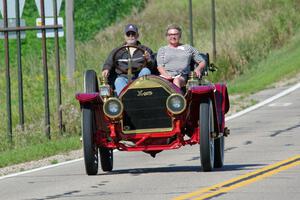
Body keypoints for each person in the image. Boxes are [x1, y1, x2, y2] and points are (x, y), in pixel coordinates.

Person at [102, 24, 155, 95]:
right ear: (125, 36)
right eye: (128, 34)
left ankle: (142, 95)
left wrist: (148, 59)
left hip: (138, 76)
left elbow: (153, 64)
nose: (131, 36)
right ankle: (124, 100)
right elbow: (109, 62)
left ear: (137, 35)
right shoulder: (117, 51)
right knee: (118, 80)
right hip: (124, 76)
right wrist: (106, 69)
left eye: (133, 34)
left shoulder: (145, 49)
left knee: (146, 71)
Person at [157, 24, 206, 88]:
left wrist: (198, 69)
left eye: (175, 34)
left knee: (176, 80)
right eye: (170, 35)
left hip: (182, 76)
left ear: (180, 35)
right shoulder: (162, 49)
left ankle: (178, 97)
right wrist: (166, 76)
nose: (173, 37)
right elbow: (160, 66)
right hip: (166, 76)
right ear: (167, 36)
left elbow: (202, 61)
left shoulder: (188, 48)